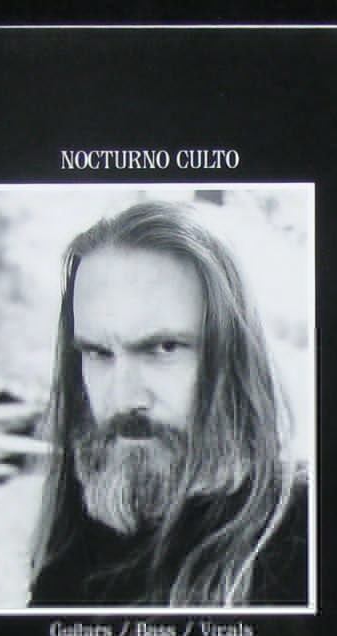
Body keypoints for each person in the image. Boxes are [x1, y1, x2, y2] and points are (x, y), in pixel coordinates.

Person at [30, 201, 308, 608]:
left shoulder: (304, 542)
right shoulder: (75, 546)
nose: (124, 398)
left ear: (234, 359)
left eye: (163, 348)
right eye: (98, 353)